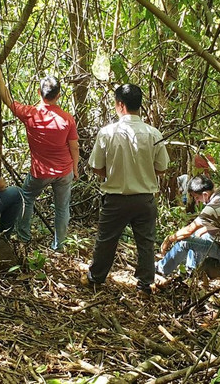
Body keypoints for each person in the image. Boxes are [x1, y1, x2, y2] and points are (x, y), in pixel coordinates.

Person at [83, 84, 170, 295]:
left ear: (120, 105)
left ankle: (96, 279)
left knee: (106, 240)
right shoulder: (153, 133)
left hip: (116, 198)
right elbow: (162, 168)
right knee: (146, 242)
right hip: (144, 199)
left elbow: (96, 167)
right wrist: (142, 173)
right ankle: (144, 285)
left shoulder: (107, 133)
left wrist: (114, 173)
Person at [0, 63, 79, 249]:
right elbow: (74, 147)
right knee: (62, 208)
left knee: (26, 197)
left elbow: (6, 98)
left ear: (39, 94)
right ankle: (59, 246)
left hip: (41, 173)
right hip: (64, 171)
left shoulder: (31, 114)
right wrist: (75, 169)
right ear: (59, 96)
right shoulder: (67, 118)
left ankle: (24, 237)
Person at [156, 175, 220, 277]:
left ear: (205, 194)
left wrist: (169, 240)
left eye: (197, 197)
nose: (197, 201)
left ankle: (161, 269)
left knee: (184, 242)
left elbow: (188, 230)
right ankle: (191, 270)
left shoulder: (211, 209)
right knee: (197, 234)